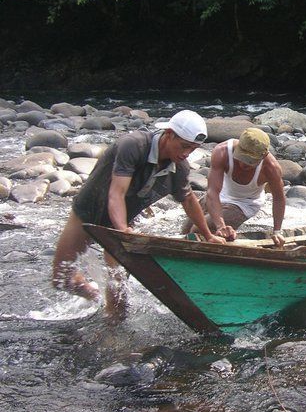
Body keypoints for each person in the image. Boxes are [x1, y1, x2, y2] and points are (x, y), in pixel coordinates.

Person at [52, 110, 221, 315]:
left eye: (193, 148)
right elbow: (117, 192)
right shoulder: (134, 145)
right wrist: (123, 230)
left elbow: (188, 200)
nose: (187, 153)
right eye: (184, 146)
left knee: (118, 288)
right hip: (88, 212)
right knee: (62, 279)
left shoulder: (179, 167)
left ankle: (112, 328)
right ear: (169, 133)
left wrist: (209, 235)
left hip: (121, 223)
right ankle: (94, 296)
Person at [182, 127, 286, 246]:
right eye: (241, 158)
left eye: (250, 162)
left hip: (244, 204)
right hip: (219, 195)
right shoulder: (222, 151)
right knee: (185, 231)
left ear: (263, 156)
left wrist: (277, 231)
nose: (243, 164)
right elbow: (212, 191)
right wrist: (221, 226)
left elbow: (279, 198)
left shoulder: (271, 168)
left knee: (197, 230)